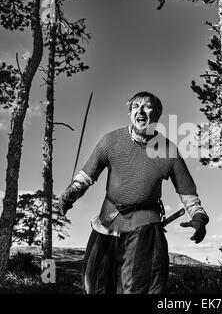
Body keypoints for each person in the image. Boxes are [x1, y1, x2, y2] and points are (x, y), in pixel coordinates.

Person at [58, 91, 209, 294]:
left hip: (144, 225)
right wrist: (72, 193)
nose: (140, 110)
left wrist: (199, 216)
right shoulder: (110, 141)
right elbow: (86, 176)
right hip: (107, 221)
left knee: (136, 288)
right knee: (94, 284)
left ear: (156, 114)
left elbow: (188, 194)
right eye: (135, 106)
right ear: (130, 113)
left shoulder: (168, 150)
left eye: (146, 106)